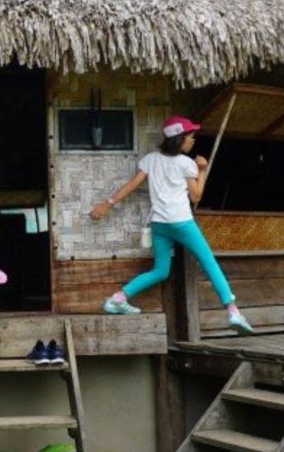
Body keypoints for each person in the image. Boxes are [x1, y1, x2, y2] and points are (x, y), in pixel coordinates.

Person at [90, 116, 254, 335]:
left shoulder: (150, 160)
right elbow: (196, 196)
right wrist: (202, 170)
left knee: (160, 271)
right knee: (210, 263)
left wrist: (107, 205)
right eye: (190, 136)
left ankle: (117, 299)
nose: (193, 140)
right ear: (179, 138)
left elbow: (131, 185)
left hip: (160, 225)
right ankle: (233, 312)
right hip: (182, 222)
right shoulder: (186, 164)